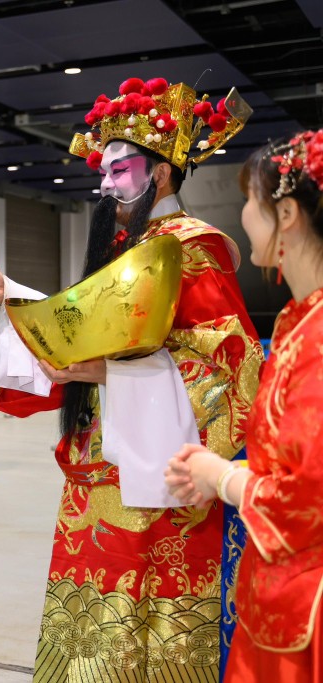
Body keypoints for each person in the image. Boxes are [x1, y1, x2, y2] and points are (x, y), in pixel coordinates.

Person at [0, 77, 263, 682]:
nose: (105, 185)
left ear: (159, 174)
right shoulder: (131, 248)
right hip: (98, 466)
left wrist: (111, 373)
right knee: (91, 619)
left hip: (160, 475)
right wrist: (15, 299)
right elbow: (83, 324)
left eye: (120, 171)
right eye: (103, 172)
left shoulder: (192, 249)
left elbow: (231, 365)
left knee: (148, 624)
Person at [165, 130, 323, 682]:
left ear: (286, 213)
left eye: (250, 203)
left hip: (307, 605)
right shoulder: (295, 320)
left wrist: (221, 475)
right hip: (273, 584)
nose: (243, 215)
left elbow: (308, 498)